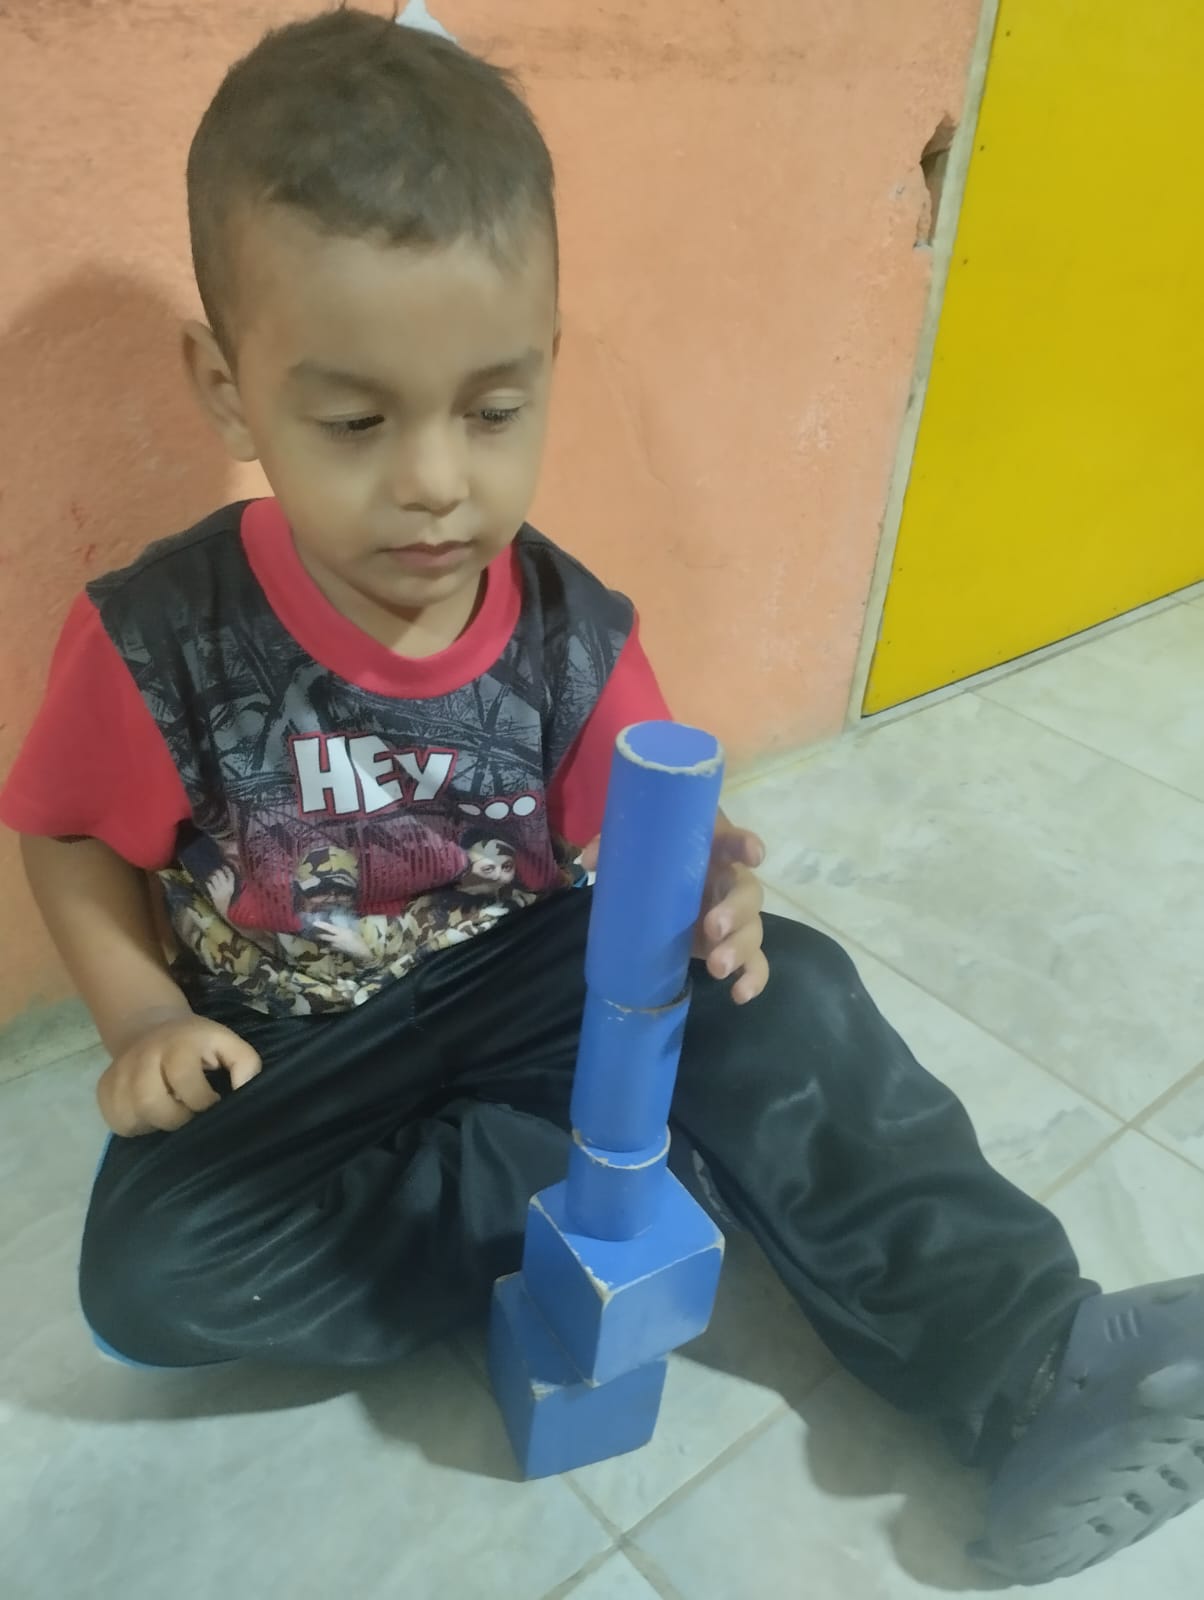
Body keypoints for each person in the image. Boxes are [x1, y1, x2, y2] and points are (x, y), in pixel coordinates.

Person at [1, 10, 1200, 1584]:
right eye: (356, 421)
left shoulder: (573, 636)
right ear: (230, 391)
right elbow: (65, 831)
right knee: (148, 1278)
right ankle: (601, 1187)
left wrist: (711, 891)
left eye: (492, 411)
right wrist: (142, 1019)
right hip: (284, 1048)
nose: (436, 481)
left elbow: (658, 838)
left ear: (546, 368)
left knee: (788, 997)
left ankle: (1038, 1356)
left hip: (524, 979)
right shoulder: (159, 639)